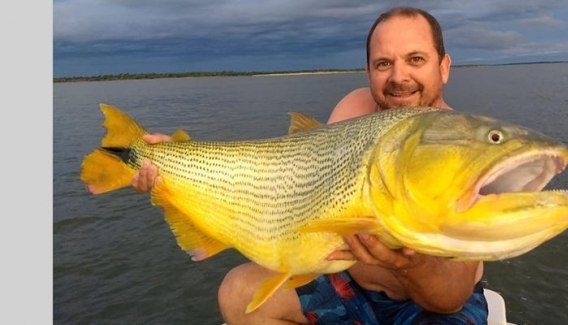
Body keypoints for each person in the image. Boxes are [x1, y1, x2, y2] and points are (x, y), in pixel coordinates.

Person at [131, 6, 488, 325]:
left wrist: (407, 262)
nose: (398, 77)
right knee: (238, 293)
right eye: (384, 63)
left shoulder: (462, 146)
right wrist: (177, 164)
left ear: (444, 67)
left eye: (415, 59)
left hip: (427, 305)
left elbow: (449, 296)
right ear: (368, 71)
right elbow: (299, 183)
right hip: (350, 284)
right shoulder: (354, 110)